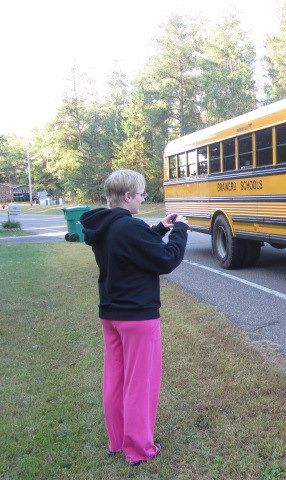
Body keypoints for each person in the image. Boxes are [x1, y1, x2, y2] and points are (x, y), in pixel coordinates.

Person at [80, 169, 189, 466]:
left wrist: (159, 229)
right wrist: (180, 231)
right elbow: (166, 260)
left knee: (116, 379)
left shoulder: (106, 226)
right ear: (128, 197)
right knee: (140, 383)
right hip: (138, 318)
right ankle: (140, 449)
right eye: (141, 194)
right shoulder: (129, 227)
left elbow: (130, 247)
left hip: (111, 314)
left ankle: (117, 441)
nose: (143, 199)